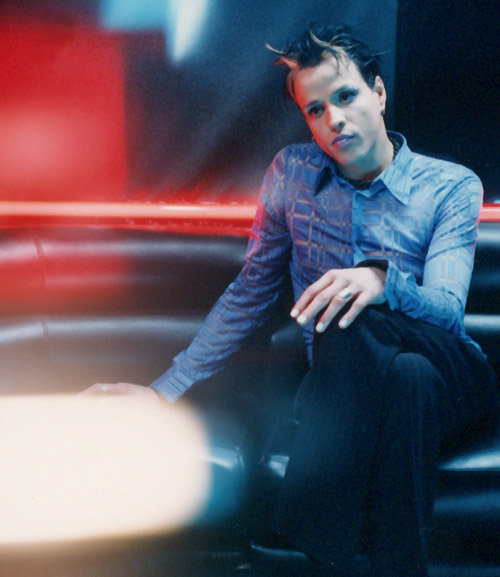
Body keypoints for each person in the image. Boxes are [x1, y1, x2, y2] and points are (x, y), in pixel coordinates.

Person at [83, 24, 500, 577]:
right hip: (378, 383)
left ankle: (306, 540)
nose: (335, 120)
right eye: (316, 109)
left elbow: (446, 310)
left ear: (378, 92)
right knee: (402, 373)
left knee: (356, 314)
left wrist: (381, 281)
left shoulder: (450, 186)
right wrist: (164, 390)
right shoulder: (292, 175)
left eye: (346, 97)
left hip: (455, 376)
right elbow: (251, 292)